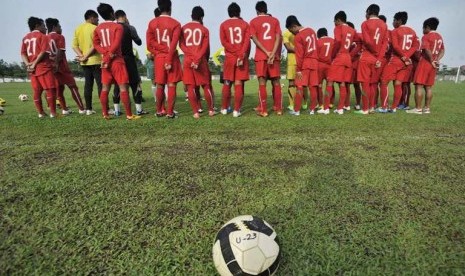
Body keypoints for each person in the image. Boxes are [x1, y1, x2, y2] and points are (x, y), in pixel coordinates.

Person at [92, 3, 140, 120]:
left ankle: (105, 113)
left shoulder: (98, 28)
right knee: (123, 87)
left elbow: (95, 44)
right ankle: (129, 115)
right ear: (111, 13)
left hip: (105, 61)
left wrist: (104, 54)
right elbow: (117, 43)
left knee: (105, 88)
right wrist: (109, 55)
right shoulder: (118, 27)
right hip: (117, 60)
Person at [147, 0, 182, 119]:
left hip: (159, 58)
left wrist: (159, 52)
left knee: (160, 85)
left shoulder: (152, 23)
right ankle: (170, 113)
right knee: (171, 85)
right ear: (170, 8)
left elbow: (149, 44)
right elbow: (174, 44)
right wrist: (168, 53)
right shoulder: (176, 23)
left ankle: (159, 111)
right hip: (171, 57)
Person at [379, 12, 419, 113]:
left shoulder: (395, 31)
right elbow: (415, 46)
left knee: (383, 81)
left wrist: (403, 56)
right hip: (406, 63)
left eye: (394, 20)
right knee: (398, 84)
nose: (393, 22)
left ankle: (384, 107)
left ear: (399, 21)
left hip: (396, 60)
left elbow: (396, 46)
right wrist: (407, 56)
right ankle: (394, 108)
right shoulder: (413, 31)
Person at [180, 6, 215, 118]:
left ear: (191, 16)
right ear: (201, 17)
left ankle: (195, 112)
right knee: (206, 86)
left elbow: (181, 45)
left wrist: (190, 56)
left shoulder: (183, 28)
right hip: (200, 60)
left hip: (187, 60)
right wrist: (198, 59)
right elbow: (205, 47)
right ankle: (210, 110)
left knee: (190, 87)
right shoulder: (204, 30)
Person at [46, 18, 86, 115]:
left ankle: (64, 109)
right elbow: (60, 51)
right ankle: (81, 108)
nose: (61, 29)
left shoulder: (44, 38)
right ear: (55, 27)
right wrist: (56, 62)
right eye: (60, 26)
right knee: (73, 87)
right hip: (61, 66)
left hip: (50, 67)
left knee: (59, 89)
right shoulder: (60, 36)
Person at [249, 1, 283, 117]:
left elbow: (254, 38)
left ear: (257, 11)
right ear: (266, 9)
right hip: (274, 56)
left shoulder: (253, 21)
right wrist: (273, 53)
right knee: (276, 82)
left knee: (262, 82)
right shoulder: (275, 20)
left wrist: (266, 52)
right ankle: (279, 109)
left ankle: (263, 110)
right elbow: (278, 37)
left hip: (261, 56)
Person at [112, 10, 148, 116]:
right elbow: (139, 42)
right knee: (135, 83)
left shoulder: (113, 28)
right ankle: (139, 109)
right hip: (128, 59)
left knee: (118, 85)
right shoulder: (129, 27)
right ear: (124, 16)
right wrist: (129, 26)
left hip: (116, 59)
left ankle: (117, 110)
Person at [21, 17, 57, 118]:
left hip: (32, 69)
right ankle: (53, 113)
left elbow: (23, 53)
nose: (45, 28)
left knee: (37, 91)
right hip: (43, 67)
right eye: (43, 26)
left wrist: (28, 64)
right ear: (37, 26)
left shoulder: (25, 37)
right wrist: (34, 63)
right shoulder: (43, 36)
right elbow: (43, 52)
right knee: (50, 89)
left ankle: (41, 113)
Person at [355, 4, 388, 115]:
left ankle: (365, 109)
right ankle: (372, 107)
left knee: (365, 83)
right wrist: (379, 57)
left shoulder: (365, 23)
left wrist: (373, 52)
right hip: (378, 59)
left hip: (367, 56)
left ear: (369, 12)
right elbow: (384, 43)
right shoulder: (384, 25)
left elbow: (368, 41)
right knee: (373, 84)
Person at [219, 2, 251, 118]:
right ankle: (236, 111)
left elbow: (224, 42)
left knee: (227, 82)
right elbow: (247, 43)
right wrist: (241, 55)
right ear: (239, 12)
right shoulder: (245, 24)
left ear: (229, 13)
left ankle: (223, 108)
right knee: (238, 83)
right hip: (240, 57)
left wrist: (235, 52)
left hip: (230, 58)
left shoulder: (223, 25)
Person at [408, 17, 444, 114]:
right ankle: (427, 108)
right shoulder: (439, 37)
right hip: (433, 65)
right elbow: (442, 50)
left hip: (425, 63)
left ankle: (418, 108)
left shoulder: (426, 36)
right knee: (428, 87)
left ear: (427, 27)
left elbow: (427, 49)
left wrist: (431, 59)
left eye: (423, 28)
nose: (423, 30)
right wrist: (437, 59)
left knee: (419, 86)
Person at [285, 15, 319, 116]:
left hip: (305, 63)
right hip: (315, 62)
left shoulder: (299, 36)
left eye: (291, 31)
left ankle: (296, 110)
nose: (292, 33)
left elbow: (299, 55)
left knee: (299, 86)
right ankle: (312, 109)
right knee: (313, 87)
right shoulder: (312, 31)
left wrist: (299, 69)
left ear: (293, 26)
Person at [72, 10, 102, 115]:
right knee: (100, 85)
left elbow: (74, 45)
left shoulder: (78, 29)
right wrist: (85, 56)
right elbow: (95, 45)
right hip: (96, 60)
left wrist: (82, 56)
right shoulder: (95, 28)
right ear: (92, 18)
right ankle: (105, 108)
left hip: (84, 63)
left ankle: (88, 109)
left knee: (88, 86)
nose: (98, 20)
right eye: (97, 18)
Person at [316, 28, 334, 113]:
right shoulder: (333, 41)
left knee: (319, 85)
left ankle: (321, 104)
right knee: (329, 85)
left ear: (319, 35)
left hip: (319, 65)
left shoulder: (318, 41)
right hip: (330, 65)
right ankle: (329, 103)